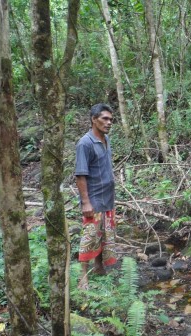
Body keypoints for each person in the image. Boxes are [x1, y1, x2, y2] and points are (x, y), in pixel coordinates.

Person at [75, 103, 118, 290]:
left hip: (107, 198)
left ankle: (99, 267)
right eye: (104, 119)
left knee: (103, 234)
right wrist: (86, 202)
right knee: (89, 237)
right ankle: (83, 277)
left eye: (111, 119)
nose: (109, 122)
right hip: (93, 199)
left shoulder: (106, 139)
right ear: (94, 119)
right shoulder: (85, 143)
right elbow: (80, 174)